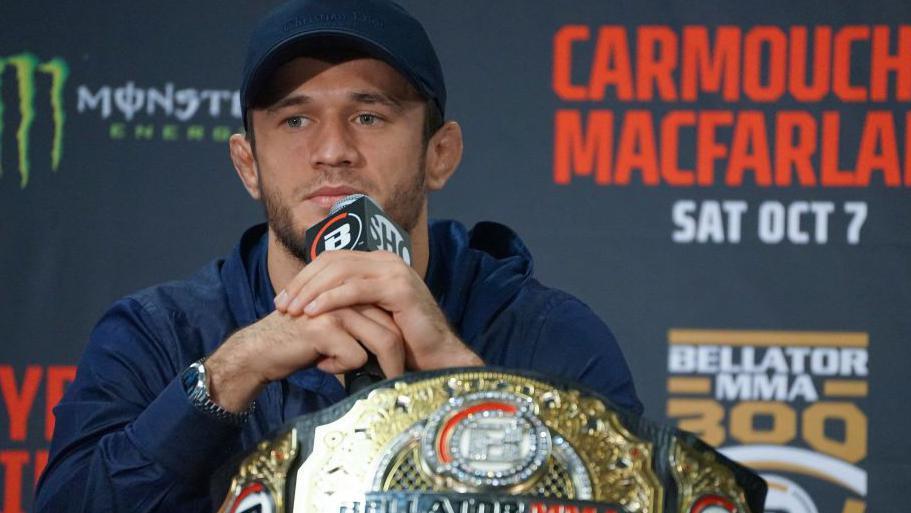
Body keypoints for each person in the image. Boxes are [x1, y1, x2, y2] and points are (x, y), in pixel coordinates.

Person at [35, 0, 641, 511]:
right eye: (295, 120)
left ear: (440, 154)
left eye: (369, 116)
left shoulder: (544, 335)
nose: (332, 150)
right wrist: (230, 374)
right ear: (248, 164)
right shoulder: (156, 335)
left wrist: (466, 384)